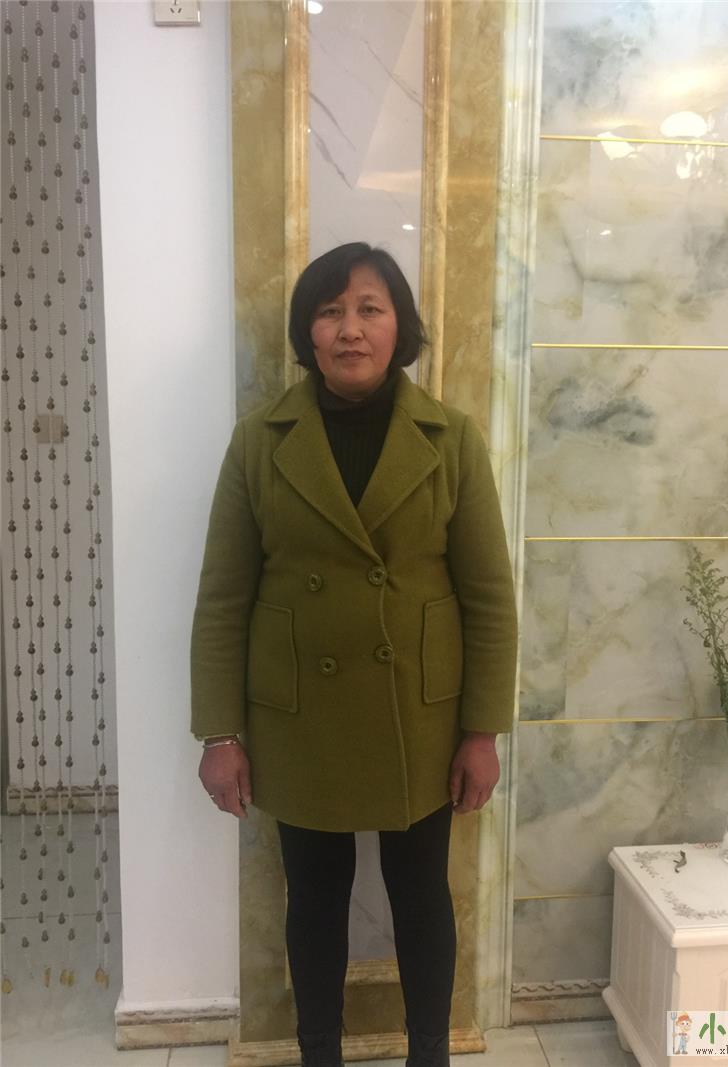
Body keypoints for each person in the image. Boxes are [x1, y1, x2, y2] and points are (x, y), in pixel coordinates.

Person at [190, 243, 518, 1067]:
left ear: (400, 326)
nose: (350, 329)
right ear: (307, 332)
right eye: (330, 311)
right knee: (314, 896)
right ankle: (319, 1054)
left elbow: (488, 597)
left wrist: (482, 731)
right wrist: (220, 733)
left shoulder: (452, 438)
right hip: (299, 713)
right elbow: (223, 598)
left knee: (421, 892)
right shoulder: (260, 442)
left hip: (421, 714)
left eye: (370, 308)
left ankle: (430, 1053)